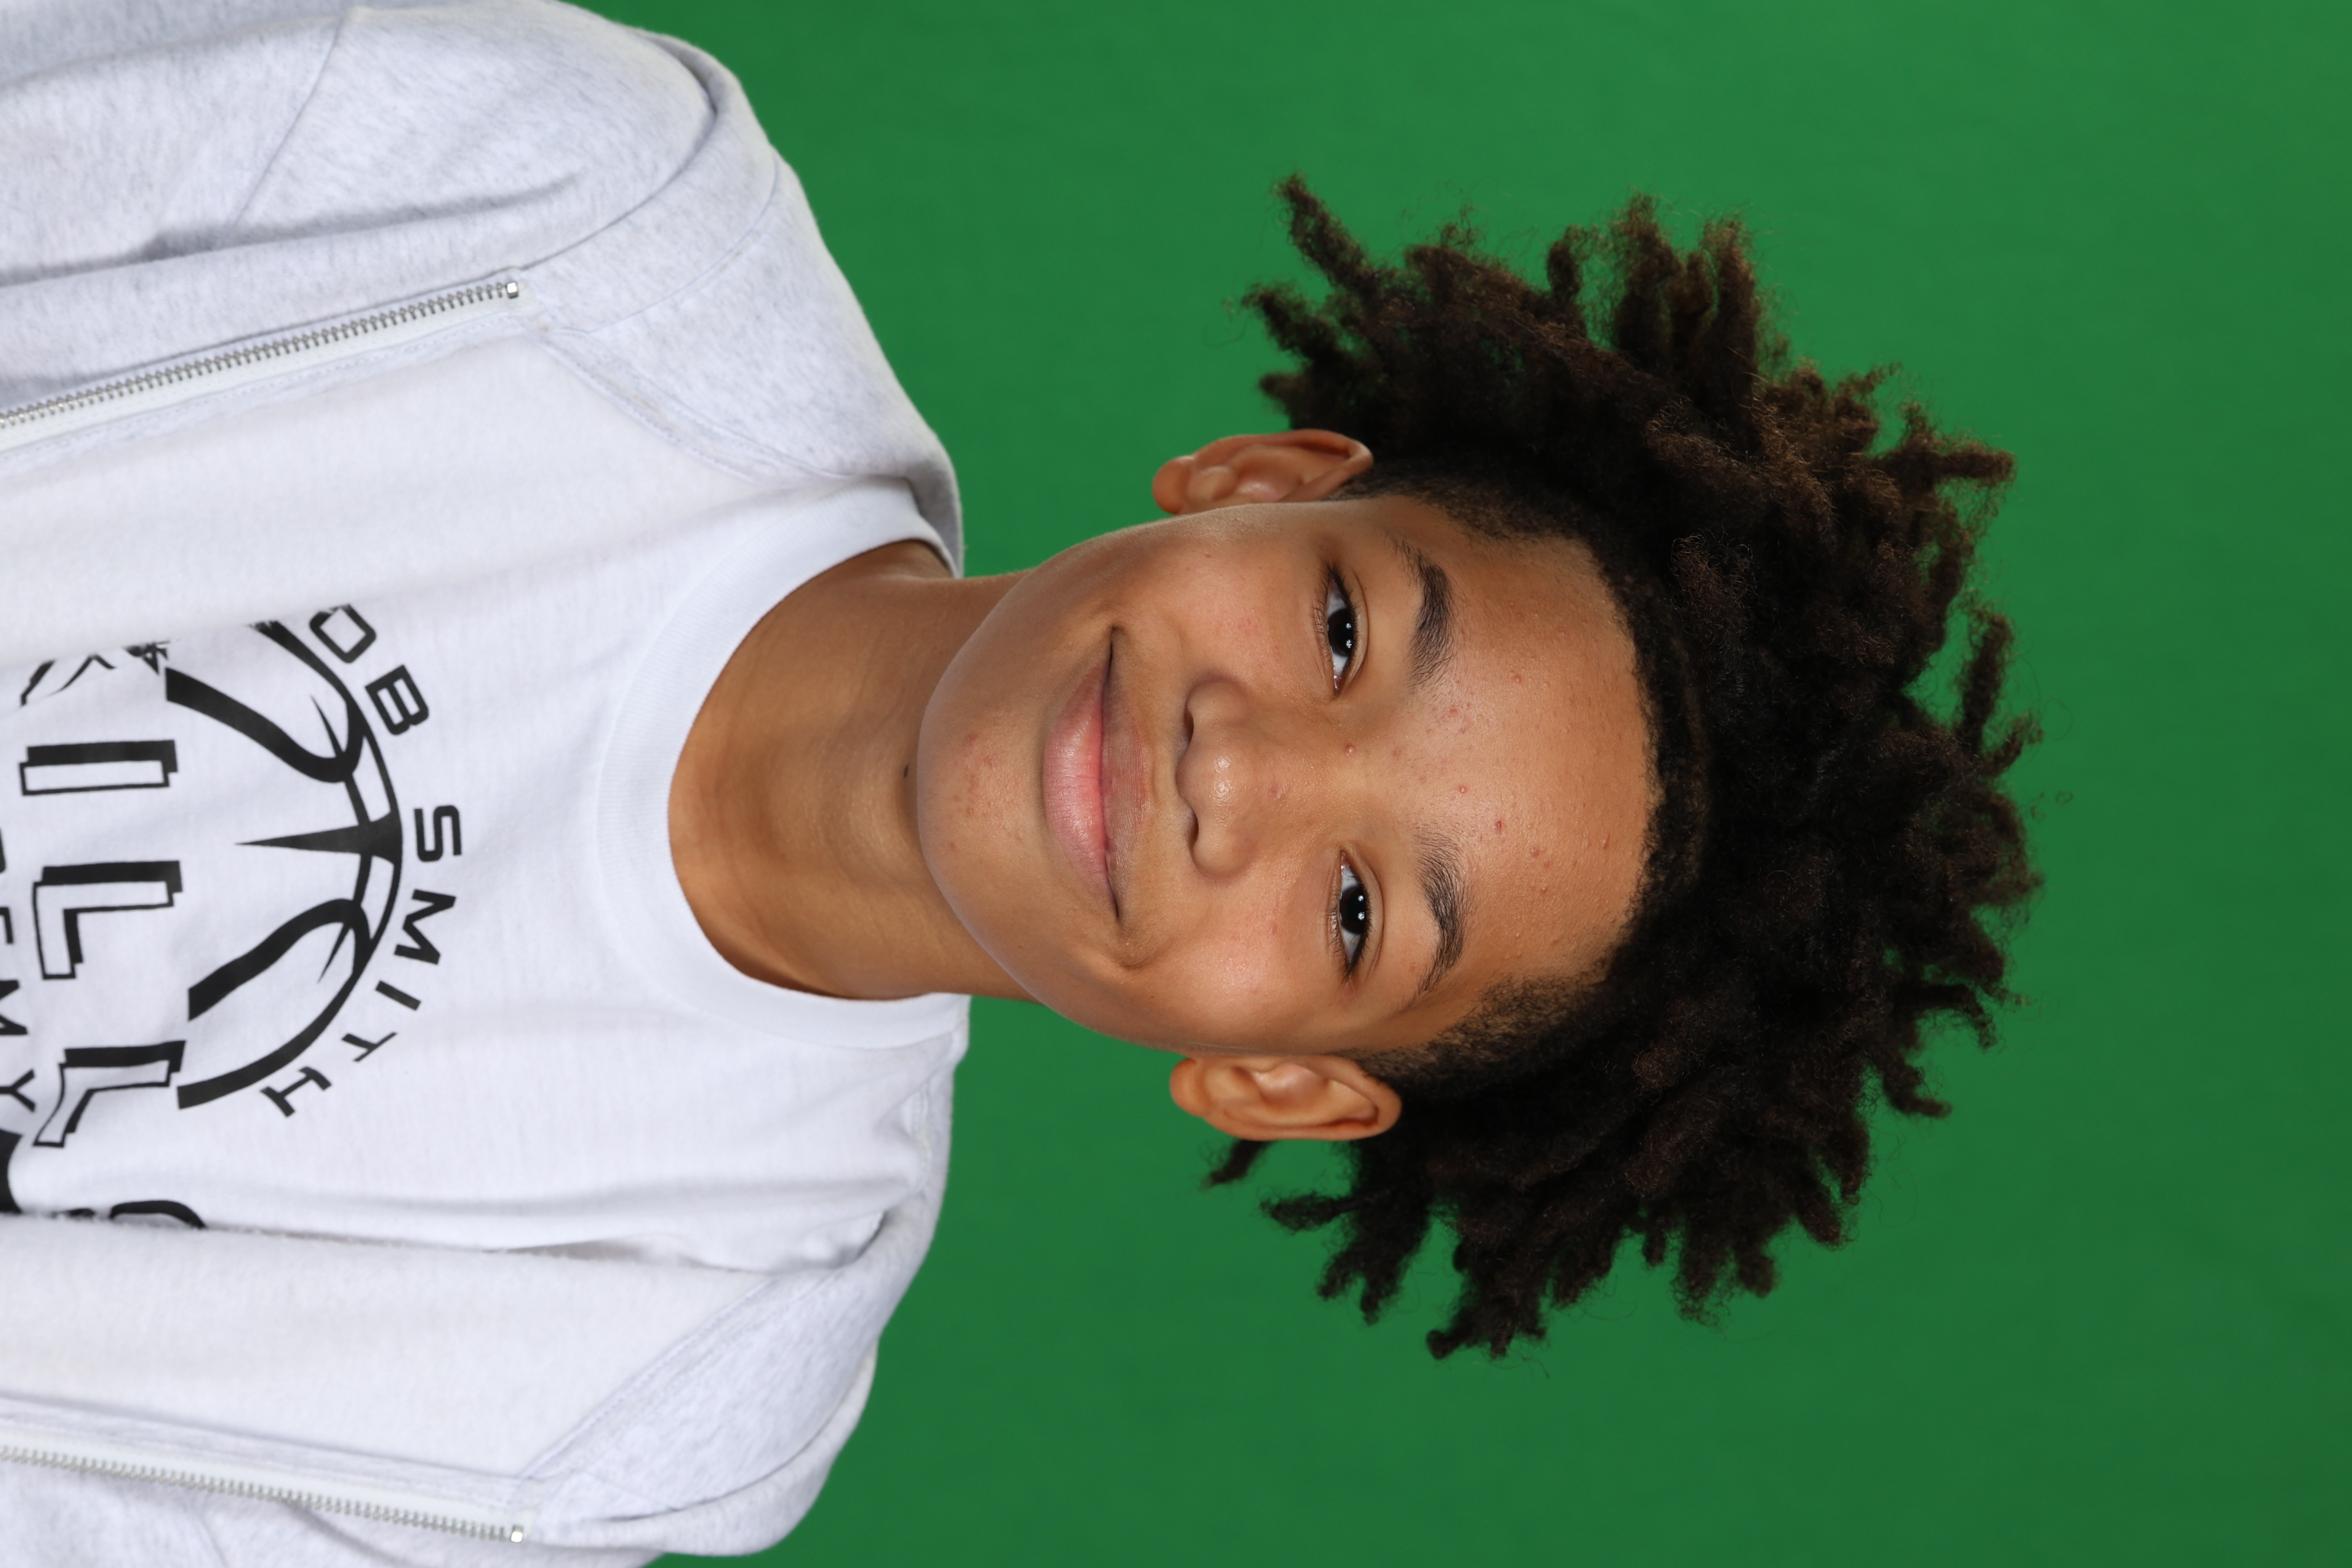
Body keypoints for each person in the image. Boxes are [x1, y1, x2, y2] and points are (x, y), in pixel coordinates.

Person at [0, 0, 2036, 1562]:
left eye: (1356, 911)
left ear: (1281, 1080)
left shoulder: (663, 1379)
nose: (1240, 772)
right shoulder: (558, 218)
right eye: (1342, 632)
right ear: (1259, 482)